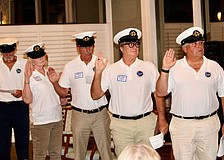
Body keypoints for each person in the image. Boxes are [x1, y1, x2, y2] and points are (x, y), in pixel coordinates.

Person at [90, 28, 168, 156]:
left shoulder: (149, 67)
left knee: (147, 157)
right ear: (121, 48)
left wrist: (162, 118)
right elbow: (95, 95)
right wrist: (98, 72)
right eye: (131, 44)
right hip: (121, 126)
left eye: (137, 44)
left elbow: (158, 94)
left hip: (145, 123)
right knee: (123, 157)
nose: (135, 47)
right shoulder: (111, 70)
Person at [156, 26, 224, 160]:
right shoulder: (174, 68)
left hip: (209, 124)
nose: (199, 46)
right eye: (194, 43)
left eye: (201, 43)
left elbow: (223, 95)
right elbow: (160, 92)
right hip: (182, 126)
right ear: (185, 48)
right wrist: (165, 69)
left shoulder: (214, 67)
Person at [47, 31, 112, 160]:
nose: (88, 49)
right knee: (79, 154)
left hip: (100, 114)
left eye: (90, 46)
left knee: (106, 153)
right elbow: (63, 92)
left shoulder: (103, 63)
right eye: (84, 46)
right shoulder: (70, 66)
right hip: (80, 115)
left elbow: (111, 89)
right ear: (78, 48)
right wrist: (54, 82)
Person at [22, 42, 63, 160]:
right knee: (40, 155)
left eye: (42, 55)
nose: (41, 59)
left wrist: (61, 99)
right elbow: (27, 100)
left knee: (55, 154)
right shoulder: (30, 75)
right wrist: (26, 79)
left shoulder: (48, 72)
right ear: (31, 60)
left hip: (57, 118)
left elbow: (51, 94)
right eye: (36, 57)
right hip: (41, 122)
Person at [0, 37, 29, 160]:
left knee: (22, 138)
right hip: (1, 107)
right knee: (2, 140)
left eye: (10, 52)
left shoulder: (24, 63)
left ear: (15, 49)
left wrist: (22, 92)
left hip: (20, 105)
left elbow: (31, 83)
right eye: (5, 52)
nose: (8, 55)